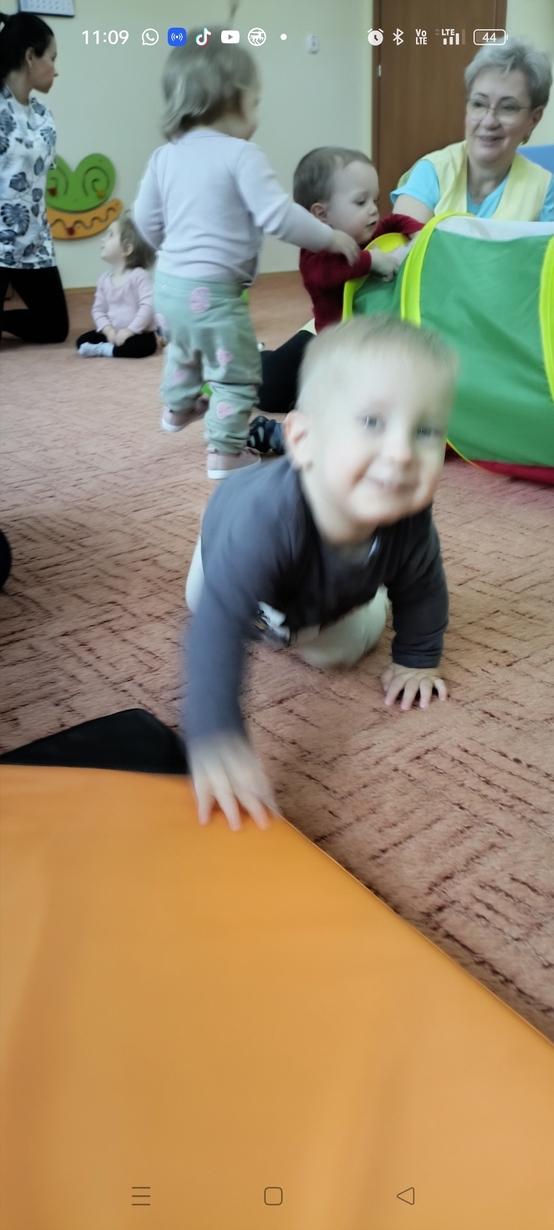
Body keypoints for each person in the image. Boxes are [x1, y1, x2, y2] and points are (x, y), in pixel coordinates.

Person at [184, 315, 457, 831]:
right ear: (304, 439)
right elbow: (216, 627)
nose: (402, 453)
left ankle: (358, 593)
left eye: (425, 431)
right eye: (372, 421)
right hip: (229, 537)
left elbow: (424, 585)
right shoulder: (266, 518)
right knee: (204, 603)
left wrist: (418, 659)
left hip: (325, 590)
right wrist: (214, 731)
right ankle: (234, 564)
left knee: (337, 650)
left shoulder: (410, 518)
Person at [132, 31, 359, 480]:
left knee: (185, 347)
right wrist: (329, 238)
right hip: (215, 295)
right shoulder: (241, 155)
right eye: (255, 103)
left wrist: (174, 255)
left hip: (168, 286)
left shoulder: (164, 156)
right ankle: (225, 451)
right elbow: (279, 216)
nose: (256, 115)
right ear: (233, 101)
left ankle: (177, 406)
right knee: (237, 372)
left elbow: (144, 218)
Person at [249, 147, 423, 454]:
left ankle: (303, 412)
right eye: (360, 202)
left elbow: (395, 220)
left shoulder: (368, 232)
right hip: (330, 346)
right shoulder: (314, 254)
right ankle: (250, 363)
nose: (373, 210)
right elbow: (327, 274)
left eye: (374, 200)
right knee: (269, 389)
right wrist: (372, 261)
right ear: (322, 215)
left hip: (366, 349)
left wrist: (418, 233)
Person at [392, 38, 554, 224]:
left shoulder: (544, 190)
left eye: (507, 107)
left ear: (534, 119)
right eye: (478, 104)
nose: (489, 121)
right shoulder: (433, 171)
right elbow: (402, 241)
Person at [0, 9, 68, 343]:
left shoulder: (44, 117)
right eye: (51, 58)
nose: (56, 69)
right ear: (30, 57)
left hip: (34, 244)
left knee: (54, 329)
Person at [76, 213, 157, 358]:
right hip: (114, 333)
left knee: (143, 346)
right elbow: (98, 310)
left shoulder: (140, 276)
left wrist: (130, 330)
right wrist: (108, 331)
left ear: (127, 249)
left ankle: (105, 350)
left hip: (138, 333)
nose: (102, 239)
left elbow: (148, 307)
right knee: (82, 341)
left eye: (110, 235)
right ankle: (109, 346)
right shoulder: (104, 279)